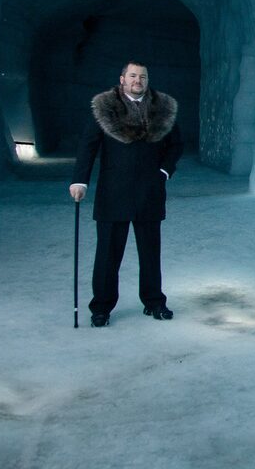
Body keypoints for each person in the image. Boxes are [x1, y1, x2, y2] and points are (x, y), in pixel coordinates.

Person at [70, 61, 183, 327]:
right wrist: (80, 182)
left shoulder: (162, 108)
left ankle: (154, 302)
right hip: (113, 192)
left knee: (150, 253)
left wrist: (164, 172)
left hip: (149, 191)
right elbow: (88, 146)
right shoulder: (104, 109)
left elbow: (176, 145)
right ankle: (101, 308)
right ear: (122, 79)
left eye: (142, 76)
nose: (138, 80)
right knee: (108, 254)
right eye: (132, 75)